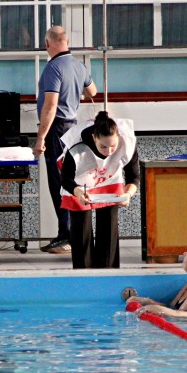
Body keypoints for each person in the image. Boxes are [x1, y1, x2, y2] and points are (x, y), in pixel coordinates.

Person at [34, 26, 98, 255]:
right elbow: (93, 91)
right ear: (67, 41)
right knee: (70, 180)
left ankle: (66, 235)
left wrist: (40, 137)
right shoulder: (78, 66)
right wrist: (75, 91)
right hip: (73, 128)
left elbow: (50, 106)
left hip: (56, 130)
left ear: (47, 43)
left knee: (59, 182)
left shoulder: (53, 68)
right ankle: (71, 233)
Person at [60, 111, 139, 268]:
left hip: (110, 179)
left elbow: (134, 177)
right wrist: (78, 193)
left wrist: (128, 194)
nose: (108, 152)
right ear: (94, 138)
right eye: (103, 146)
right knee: (81, 231)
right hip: (81, 182)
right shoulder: (76, 146)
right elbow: (65, 179)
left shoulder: (127, 143)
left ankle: (108, 272)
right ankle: (83, 275)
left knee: (108, 228)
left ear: (118, 137)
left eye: (113, 146)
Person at [126, 242, 187, 311]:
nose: (184, 254)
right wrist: (147, 302)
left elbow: (181, 320)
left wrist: (155, 310)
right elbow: (172, 308)